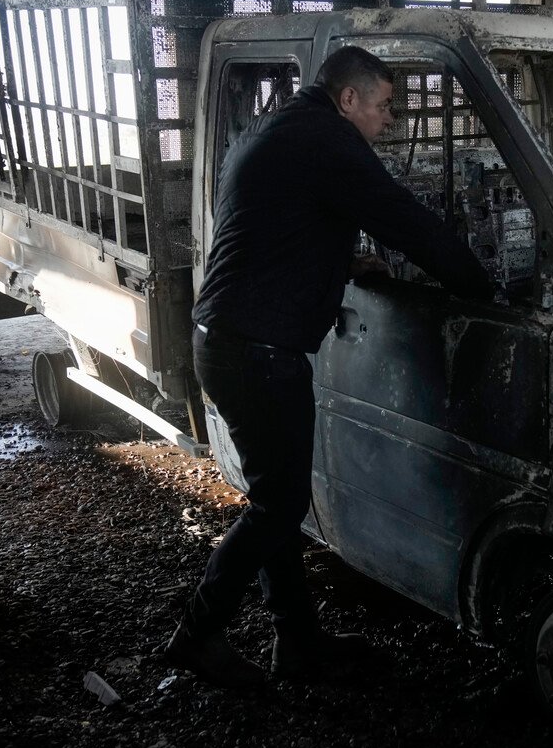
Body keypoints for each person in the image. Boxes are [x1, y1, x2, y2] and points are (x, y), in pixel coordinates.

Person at [163, 45, 494, 688]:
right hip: (257, 353)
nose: (390, 119)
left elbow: (270, 226)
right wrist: (482, 287)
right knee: (279, 507)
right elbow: (405, 222)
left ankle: (297, 643)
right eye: (385, 105)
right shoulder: (327, 140)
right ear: (349, 99)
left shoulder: (282, 126)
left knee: (275, 501)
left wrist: (338, 264)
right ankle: (197, 635)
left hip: (231, 341)